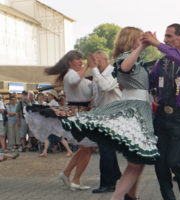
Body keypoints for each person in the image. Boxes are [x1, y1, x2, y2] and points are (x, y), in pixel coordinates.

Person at [60, 27, 159, 200]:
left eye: (98, 60)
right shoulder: (122, 60)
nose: (95, 63)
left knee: (136, 161)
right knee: (133, 161)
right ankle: (116, 193)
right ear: (131, 41)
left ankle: (130, 195)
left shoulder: (130, 61)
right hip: (127, 114)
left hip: (131, 112)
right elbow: (111, 80)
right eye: (138, 38)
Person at [26, 50, 97, 191]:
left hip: (82, 114)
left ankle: (67, 174)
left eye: (82, 59)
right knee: (87, 148)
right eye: (78, 59)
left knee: (85, 148)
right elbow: (75, 81)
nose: (81, 61)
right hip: (77, 114)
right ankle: (75, 179)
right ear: (70, 62)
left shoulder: (79, 76)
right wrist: (88, 65)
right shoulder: (70, 75)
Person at [143, 23, 180, 200]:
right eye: (165, 36)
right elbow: (149, 82)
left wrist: (157, 43)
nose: (165, 39)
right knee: (160, 163)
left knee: (176, 162)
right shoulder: (162, 62)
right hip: (161, 116)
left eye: (169, 36)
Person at [89, 50, 122, 194]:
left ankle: (108, 183)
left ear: (105, 60)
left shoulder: (114, 72)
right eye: (93, 62)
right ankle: (115, 176)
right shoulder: (98, 75)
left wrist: (94, 70)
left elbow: (106, 87)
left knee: (106, 150)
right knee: (106, 149)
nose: (95, 64)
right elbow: (97, 97)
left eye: (97, 61)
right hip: (102, 115)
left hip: (113, 116)